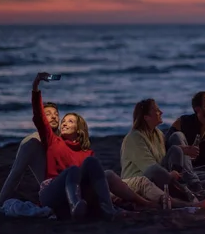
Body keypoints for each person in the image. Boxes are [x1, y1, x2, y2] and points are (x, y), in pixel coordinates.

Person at [32, 72, 143, 220]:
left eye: (70, 121)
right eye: (63, 121)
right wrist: (36, 86)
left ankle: (108, 209)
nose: (64, 123)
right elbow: (39, 117)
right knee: (73, 170)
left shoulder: (87, 153)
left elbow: (93, 182)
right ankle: (75, 206)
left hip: (80, 194)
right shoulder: (53, 140)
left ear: (79, 129)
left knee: (92, 163)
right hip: (52, 192)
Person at [119, 98, 205, 208]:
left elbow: (165, 154)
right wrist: (169, 175)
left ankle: (189, 185)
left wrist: (184, 150)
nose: (161, 112)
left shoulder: (157, 133)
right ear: (146, 117)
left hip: (160, 176)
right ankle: (190, 198)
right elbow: (150, 168)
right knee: (156, 169)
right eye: (156, 110)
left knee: (177, 141)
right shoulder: (135, 137)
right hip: (141, 180)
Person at [0, 101, 60, 207]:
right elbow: (16, 173)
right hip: (53, 188)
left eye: (56, 114)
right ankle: (0, 202)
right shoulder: (32, 142)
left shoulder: (65, 136)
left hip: (72, 182)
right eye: (48, 114)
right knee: (31, 144)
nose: (53, 117)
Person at [166, 91, 205, 192]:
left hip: (200, 172)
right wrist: (182, 149)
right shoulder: (183, 122)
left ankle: (187, 185)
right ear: (197, 109)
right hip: (178, 169)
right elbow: (166, 145)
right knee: (177, 135)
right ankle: (192, 184)